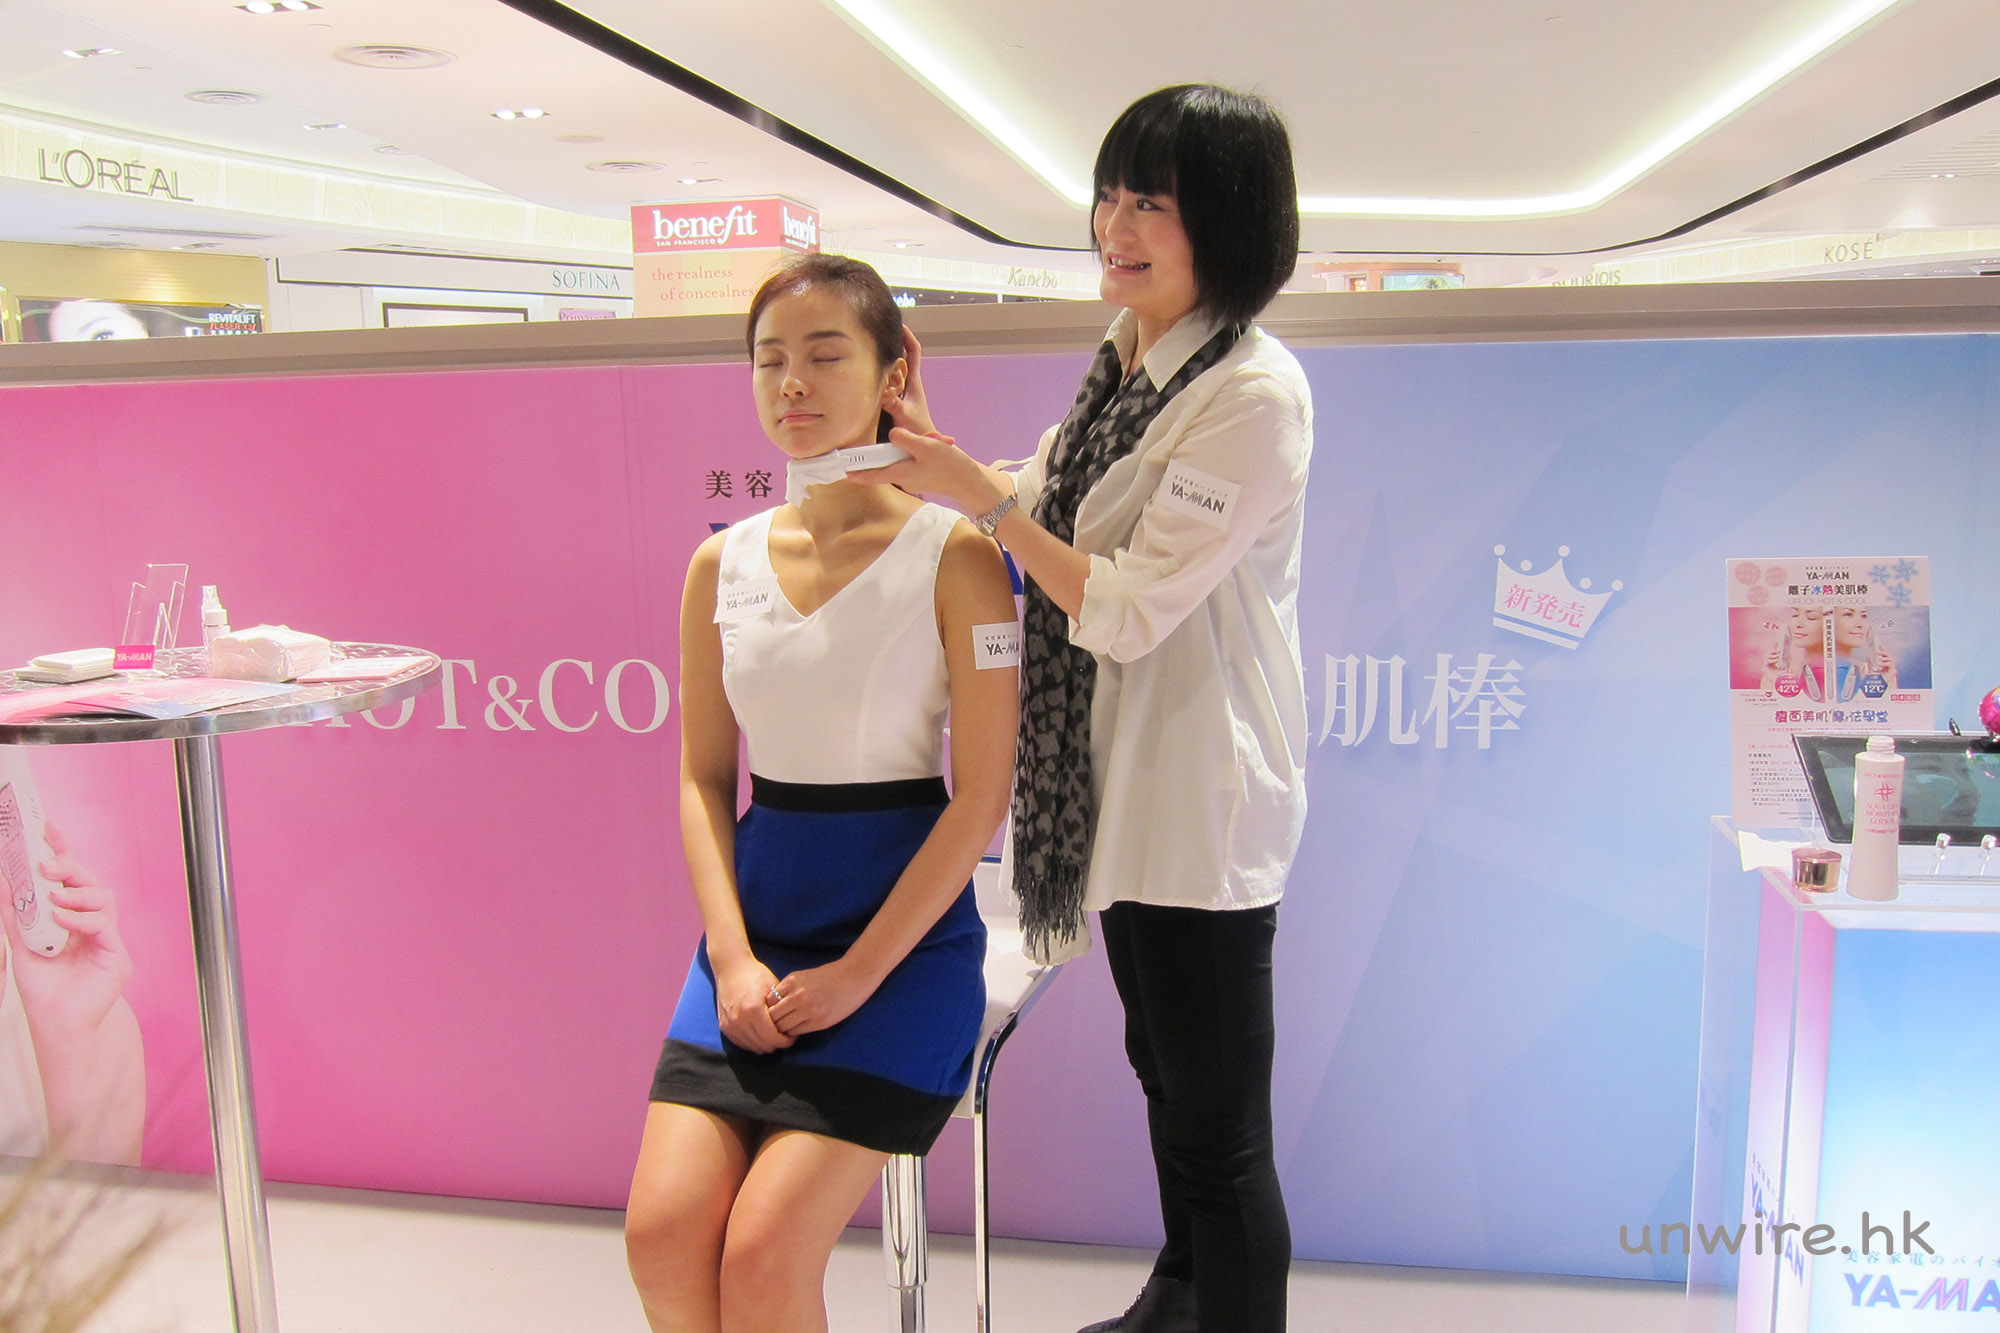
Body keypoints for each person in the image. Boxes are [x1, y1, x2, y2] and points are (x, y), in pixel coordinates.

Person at [869, 83, 1310, 1333]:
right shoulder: (1128, 361)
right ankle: (1178, 1298)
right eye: (1108, 197)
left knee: (1219, 1126)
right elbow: (1052, 491)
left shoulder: (1251, 394)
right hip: (1124, 782)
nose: (1114, 227)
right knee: (1163, 1077)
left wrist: (979, 497)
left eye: (1150, 204)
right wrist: (949, 471)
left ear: (1226, 223)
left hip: (1196, 800)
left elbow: (1119, 605)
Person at [623, 253, 1019, 1333]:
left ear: (894, 374)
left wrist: (856, 974)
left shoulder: (959, 556)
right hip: (754, 939)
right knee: (662, 1234)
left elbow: (981, 797)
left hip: (899, 950)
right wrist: (729, 956)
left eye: (824, 354)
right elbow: (704, 778)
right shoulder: (720, 564)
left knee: (762, 1255)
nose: (791, 382)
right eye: (770, 360)